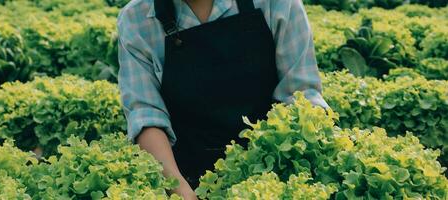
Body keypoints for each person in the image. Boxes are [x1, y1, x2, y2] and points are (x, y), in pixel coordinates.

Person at [117, 0, 328, 199]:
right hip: (186, 177)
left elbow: (301, 98)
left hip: (274, 173)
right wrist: (179, 189)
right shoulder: (136, 19)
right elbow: (146, 115)